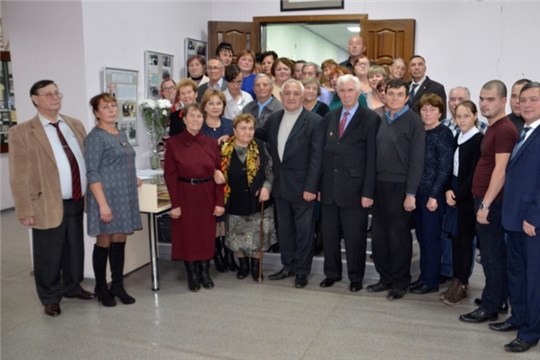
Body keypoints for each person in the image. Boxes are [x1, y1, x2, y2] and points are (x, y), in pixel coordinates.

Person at [8, 80, 94, 317]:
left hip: (76, 199)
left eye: (57, 93)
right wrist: (24, 210)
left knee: (74, 249)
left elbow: (85, 160)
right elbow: (18, 175)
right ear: (35, 99)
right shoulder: (21, 132)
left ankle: (72, 287)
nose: (54, 97)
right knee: (48, 254)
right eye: (48, 94)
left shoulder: (74, 125)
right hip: (45, 203)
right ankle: (50, 297)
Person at [256, 79, 325, 288]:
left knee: (304, 231)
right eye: (288, 93)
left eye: (296, 93)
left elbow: (317, 158)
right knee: (284, 229)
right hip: (280, 186)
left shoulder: (314, 121)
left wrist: (311, 187)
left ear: (303, 96)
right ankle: (288, 266)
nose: (292, 97)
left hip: (304, 187)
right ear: (282, 96)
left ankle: (302, 271)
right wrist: (232, 133)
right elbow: (259, 136)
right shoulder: (274, 118)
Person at [459, 80, 518, 323]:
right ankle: (497, 297)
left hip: (490, 202)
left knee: (492, 256)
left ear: (503, 101)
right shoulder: (493, 127)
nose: (484, 103)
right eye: (482, 98)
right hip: (485, 200)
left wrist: (485, 205)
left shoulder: (504, 129)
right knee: (495, 254)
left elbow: (501, 170)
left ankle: (490, 306)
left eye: (490, 99)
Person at [319, 74, 379, 292]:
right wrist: (318, 186)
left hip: (355, 189)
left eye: (350, 91)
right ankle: (332, 273)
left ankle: (356, 278)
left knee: (355, 238)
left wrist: (368, 191)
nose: (346, 95)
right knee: (330, 235)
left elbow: (372, 158)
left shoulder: (371, 119)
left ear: (358, 92)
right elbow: (322, 154)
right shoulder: (330, 116)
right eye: (342, 91)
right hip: (328, 188)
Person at [368, 79, 426, 301]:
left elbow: (417, 161)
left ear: (407, 97)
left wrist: (411, 193)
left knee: (398, 237)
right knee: (380, 235)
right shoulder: (382, 119)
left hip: (401, 187)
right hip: (380, 185)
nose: (394, 98)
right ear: (384, 96)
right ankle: (385, 279)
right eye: (390, 93)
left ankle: (400, 282)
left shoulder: (413, 121)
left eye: (399, 94)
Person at [85, 93, 142, 307]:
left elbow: (121, 160)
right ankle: (101, 286)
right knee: (104, 240)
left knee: (120, 239)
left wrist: (132, 176)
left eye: (113, 106)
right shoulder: (95, 137)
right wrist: (102, 204)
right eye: (105, 107)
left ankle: (117, 285)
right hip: (106, 196)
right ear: (96, 112)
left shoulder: (121, 133)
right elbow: (92, 172)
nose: (111, 110)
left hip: (124, 194)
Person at [164, 103, 225, 292]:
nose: (196, 120)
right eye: (192, 116)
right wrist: (175, 204)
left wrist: (219, 202)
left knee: (206, 235)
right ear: (184, 119)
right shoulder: (173, 143)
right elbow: (170, 175)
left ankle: (205, 272)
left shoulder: (211, 143)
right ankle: (192, 273)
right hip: (185, 193)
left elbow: (219, 173)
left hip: (207, 193)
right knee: (187, 235)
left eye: (199, 116)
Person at [498, 82, 540, 353]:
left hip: (531, 221)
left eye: (533, 100)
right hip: (513, 218)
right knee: (517, 274)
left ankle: (531, 331)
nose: (526, 104)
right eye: (523, 100)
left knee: (534, 278)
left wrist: (534, 216)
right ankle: (519, 317)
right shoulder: (523, 132)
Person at [221, 113, 277, 280]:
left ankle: (256, 267)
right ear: (234, 130)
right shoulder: (225, 149)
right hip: (235, 200)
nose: (247, 132)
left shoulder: (261, 146)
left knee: (258, 237)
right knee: (238, 236)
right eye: (243, 128)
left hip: (258, 200)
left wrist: (267, 187)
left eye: (251, 128)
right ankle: (243, 266)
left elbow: (271, 171)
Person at [440, 101, 483, 306]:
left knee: (465, 242)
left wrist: (457, 194)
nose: (462, 120)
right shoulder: (458, 137)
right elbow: (451, 167)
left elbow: (474, 174)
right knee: (455, 241)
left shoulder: (478, 140)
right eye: (458, 116)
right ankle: (456, 280)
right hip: (454, 192)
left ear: (475, 116)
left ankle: (463, 284)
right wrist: (448, 188)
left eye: (466, 115)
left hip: (466, 197)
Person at [409, 94, 454, 295]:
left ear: (440, 112)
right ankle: (424, 276)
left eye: (432, 109)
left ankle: (431, 280)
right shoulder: (419, 131)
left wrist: (434, 196)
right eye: (424, 109)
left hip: (432, 196)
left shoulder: (443, 133)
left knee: (432, 238)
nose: (428, 113)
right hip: (417, 193)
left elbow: (445, 168)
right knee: (422, 238)